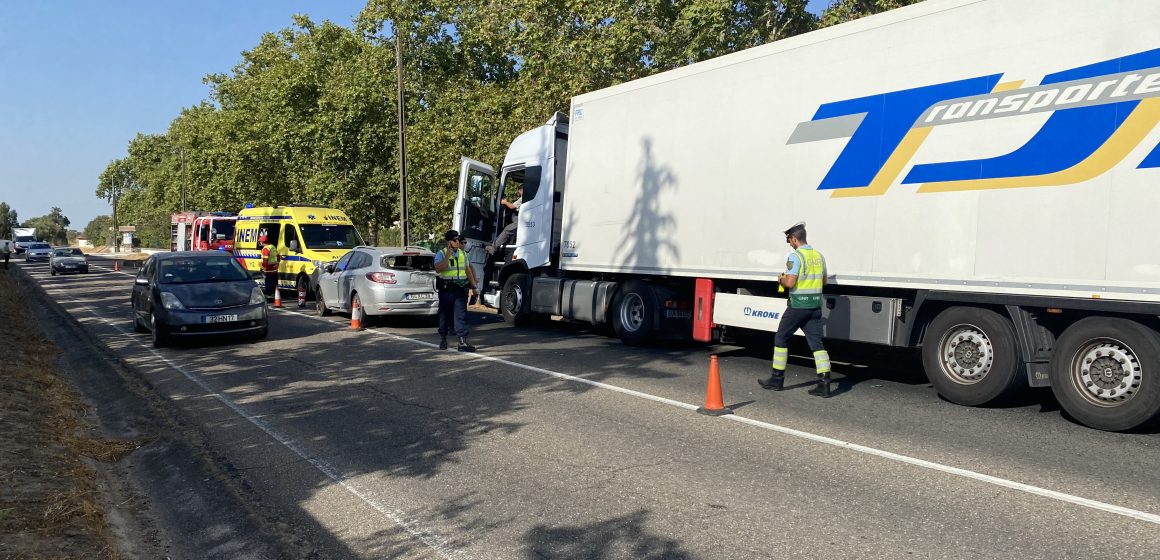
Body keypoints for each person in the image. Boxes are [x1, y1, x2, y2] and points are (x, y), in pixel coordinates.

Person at [759, 221, 833, 397]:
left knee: (781, 338)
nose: (789, 244)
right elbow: (824, 282)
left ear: (794, 239)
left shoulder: (796, 256)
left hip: (798, 306)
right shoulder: (819, 256)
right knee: (817, 345)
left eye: (789, 240)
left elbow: (790, 283)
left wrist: (781, 279)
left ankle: (777, 379)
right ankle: (824, 384)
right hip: (815, 306)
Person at [434, 230, 479, 351]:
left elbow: (468, 271)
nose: (458, 242)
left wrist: (474, 287)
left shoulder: (463, 254)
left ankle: (462, 342)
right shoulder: (441, 253)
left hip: (460, 290)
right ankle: (443, 339)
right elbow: (438, 269)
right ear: (449, 241)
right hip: (446, 290)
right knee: (444, 315)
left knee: (461, 315)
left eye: (458, 240)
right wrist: (448, 255)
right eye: (455, 240)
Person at [487, 185, 523, 255]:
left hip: (521, 221)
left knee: (507, 229)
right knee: (511, 230)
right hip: (521, 220)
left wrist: (505, 202)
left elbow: (512, 206)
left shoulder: (524, 198)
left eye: (521, 190)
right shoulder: (523, 198)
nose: (520, 192)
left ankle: (494, 248)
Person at [259, 231, 280, 299]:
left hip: (268, 269)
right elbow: (278, 256)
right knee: (274, 282)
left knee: (268, 282)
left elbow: (265, 260)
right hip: (275, 269)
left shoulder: (265, 249)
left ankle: (269, 295)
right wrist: (277, 264)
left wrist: (263, 268)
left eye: (260, 241)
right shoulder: (273, 247)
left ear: (263, 242)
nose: (260, 243)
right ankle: (275, 294)